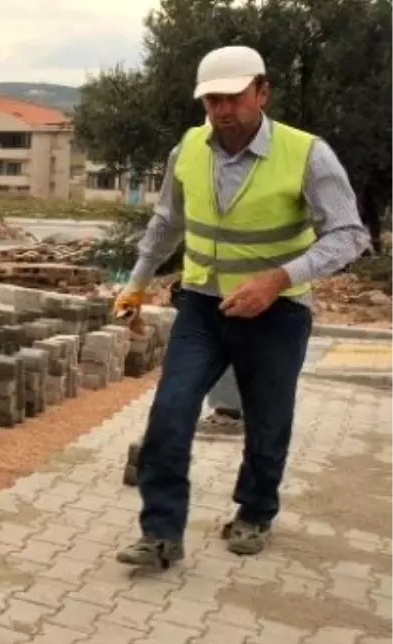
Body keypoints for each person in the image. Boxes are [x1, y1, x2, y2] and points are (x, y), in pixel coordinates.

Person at [113, 45, 370, 568]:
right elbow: (167, 222)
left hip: (277, 314)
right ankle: (161, 532)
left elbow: (349, 235)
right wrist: (136, 282)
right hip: (203, 307)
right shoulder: (188, 148)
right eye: (212, 100)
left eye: (233, 97)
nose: (223, 110)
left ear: (262, 91)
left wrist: (279, 279)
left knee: (269, 419)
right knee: (170, 411)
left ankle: (254, 512)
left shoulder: (306, 153)